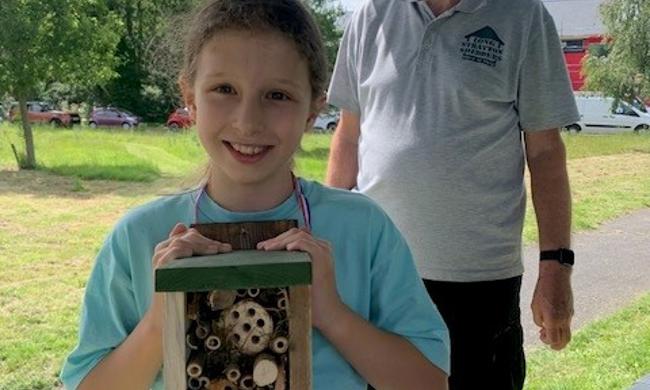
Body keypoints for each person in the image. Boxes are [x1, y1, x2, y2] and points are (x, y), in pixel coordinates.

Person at [59, 1, 450, 389]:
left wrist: (331, 313)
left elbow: (429, 382)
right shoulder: (139, 238)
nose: (248, 122)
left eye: (277, 95)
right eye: (224, 89)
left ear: (313, 109)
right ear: (190, 98)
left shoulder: (363, 229)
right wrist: (162, 321)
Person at [326, 0, 577, 388]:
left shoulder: (523, 15)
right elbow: (348, 136)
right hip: (378, 275)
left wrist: (556, 268)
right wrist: (329, 242)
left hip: (478, 285)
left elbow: (545, 152)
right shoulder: (371, 15)